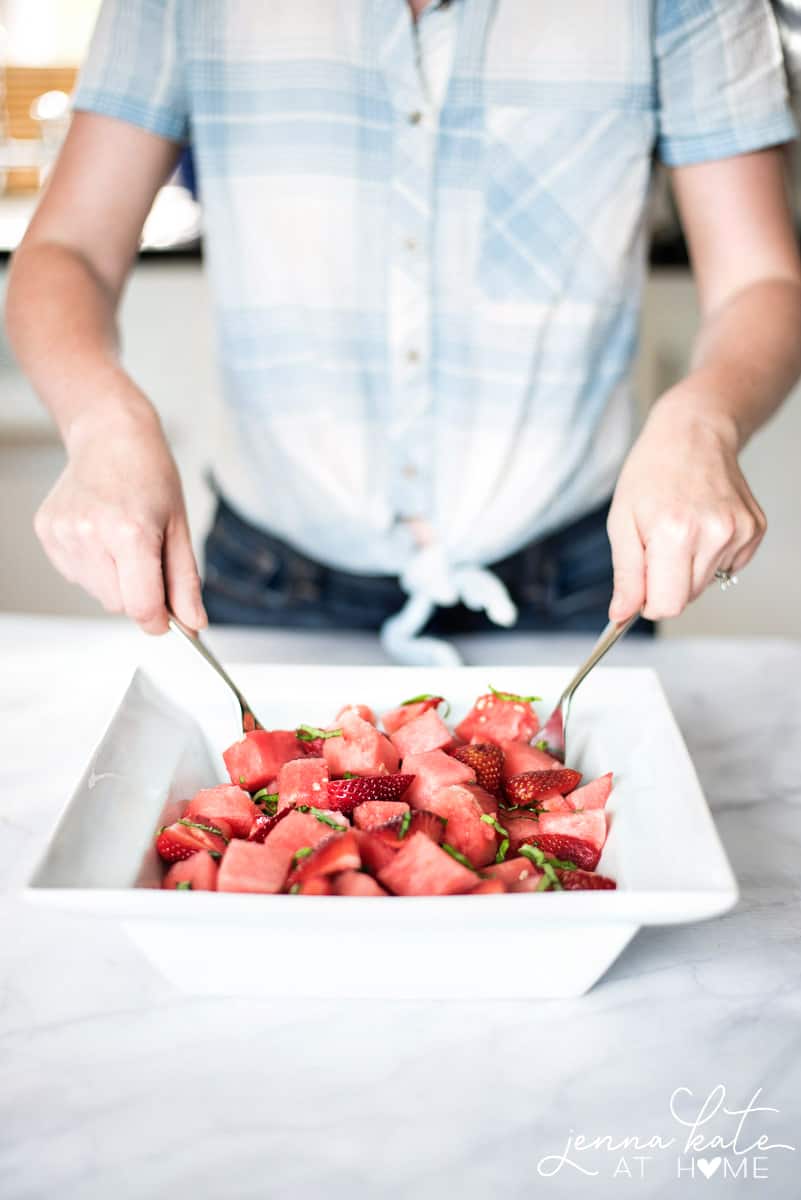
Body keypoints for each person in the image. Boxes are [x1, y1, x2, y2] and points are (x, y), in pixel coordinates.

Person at [7, 0, 801, 665]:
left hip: (574, 583)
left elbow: (759, 281)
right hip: (271, 578)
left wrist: (701, 419)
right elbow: (68, 249)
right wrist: (104, 422)